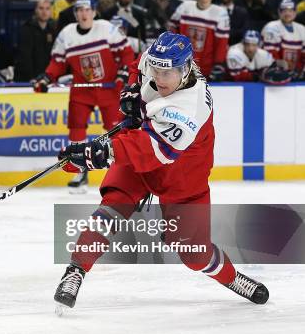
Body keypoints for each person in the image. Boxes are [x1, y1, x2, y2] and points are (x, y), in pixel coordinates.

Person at [53, 32, 269, 314]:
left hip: (182, 176)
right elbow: (138, 67)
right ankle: (75, 271)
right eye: (156, 70)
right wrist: (132, 90)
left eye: (167, 73)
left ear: (186, 68)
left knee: (194, 254)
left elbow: (155, 149)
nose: (159, 78)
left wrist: (98, 155)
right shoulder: (159, 62)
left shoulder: (190, 107)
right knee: (113, 207)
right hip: (143, 158)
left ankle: (233, 278)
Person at [32, 0, 134, 193]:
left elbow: (127, 53)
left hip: (109, 89)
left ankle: (121, 172)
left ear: (94, 12)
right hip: (82, 91)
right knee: (76, 129)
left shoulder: (106, 28)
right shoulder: (66, 34)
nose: (83, 13)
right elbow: (58, 63)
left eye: (87, 9)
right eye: (79, 10)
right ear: (75, 13)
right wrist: (46, 78)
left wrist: (123, 74)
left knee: (116, 131)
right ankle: (80, 171)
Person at [169, 0, 230, 79]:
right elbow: (172, 31)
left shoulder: (220, 13)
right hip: (180, 64)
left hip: (206, 67)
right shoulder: (185, 7)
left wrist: (218, 63)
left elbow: (221, 43)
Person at [15, 0, 55, 82]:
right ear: (36, 10)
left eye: (47, 9)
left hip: (47, 78)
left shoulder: (53, 29)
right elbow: (25, 57)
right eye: (41, 8)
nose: (44, 12)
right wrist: (30, 78)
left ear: (51, 12)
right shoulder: (27, 29)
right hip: (28, 79)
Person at [262, 0, 305, 75]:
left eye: (290, 11)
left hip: (296, 73)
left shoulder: (302, 29)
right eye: (284, 11)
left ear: (295, 12)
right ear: (279, 12)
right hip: (276, 73)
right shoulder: (271, 27)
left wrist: (300, 71)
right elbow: (270, 55)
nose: (287, 14)